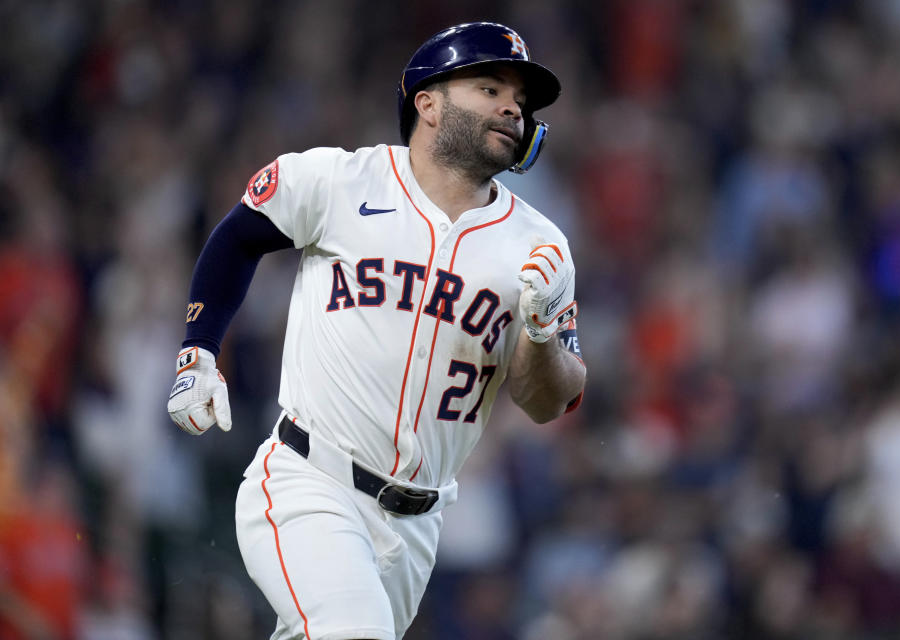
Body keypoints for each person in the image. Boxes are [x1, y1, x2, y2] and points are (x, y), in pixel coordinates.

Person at [167, 22, 586, 640]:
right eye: (490, 87)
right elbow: (240, 233)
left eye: (521, 101)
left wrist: (544, 331)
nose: (512, 108)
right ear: (429, 103)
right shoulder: (341, 181)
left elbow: (548, 399)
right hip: (311, 482)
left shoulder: (540, 245)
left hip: (416, 528)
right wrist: (198, 352)